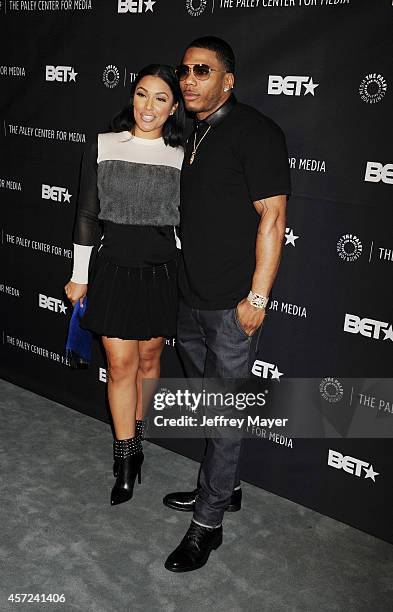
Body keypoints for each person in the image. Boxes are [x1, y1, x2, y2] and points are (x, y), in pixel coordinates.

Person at [163, 37, 291, 572]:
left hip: (232, 306)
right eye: (184, 70)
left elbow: (274, 216)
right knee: (204, 399)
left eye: (202, 70)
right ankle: (226, 486)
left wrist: (257, 297)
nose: (189, 79)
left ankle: (208, 524)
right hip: (190, 298)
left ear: (228, 79)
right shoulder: (195, 131)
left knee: (223, 411)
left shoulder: (255, 131)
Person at [64, 64, 185, 507]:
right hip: (113, 267)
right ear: (131, 97)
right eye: (141, 94)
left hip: (161, 272)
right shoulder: (102, 144)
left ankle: (139, 437)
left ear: (174, 108)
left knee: (149, 360)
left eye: (160, 98)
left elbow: (184, 224)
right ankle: (126, 456)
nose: (148, 106)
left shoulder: (181, 154)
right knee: (119, 366)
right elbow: (86, 215)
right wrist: (80, 275)